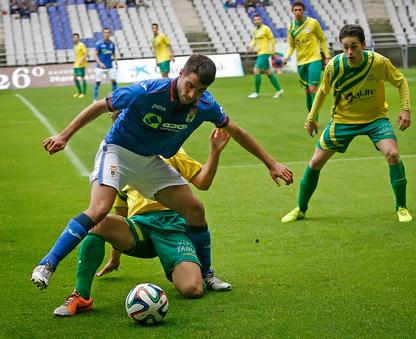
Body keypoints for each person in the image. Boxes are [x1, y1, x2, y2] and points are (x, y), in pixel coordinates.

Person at [31, 54, 293, 290]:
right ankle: (47, 264)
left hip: (149, 161)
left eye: (199, 90)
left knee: (195, 209)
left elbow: (236, 131)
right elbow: (101, 106)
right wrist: (64, 136)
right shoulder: (148, 90)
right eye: (189, 85)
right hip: (117, 151)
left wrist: (271, 163)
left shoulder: (205, 105)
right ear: (180, 73)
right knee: (99, 208)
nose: (192, 95)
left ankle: (207, 272)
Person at [53, 129, 231, 317]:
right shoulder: (115, 161)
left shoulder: (170, 151)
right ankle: (81, 296)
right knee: (98, 223)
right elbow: (120, 213)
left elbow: (203, 181)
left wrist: (215, 151)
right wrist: (115, 258)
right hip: (140, 229)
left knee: (193, 290)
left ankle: (204, 273)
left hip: (172, 228)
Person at [281, 24, 413, 224]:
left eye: (354, 47)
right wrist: (311, 118)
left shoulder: (378, 62)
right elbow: (323, 91)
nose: (349, 52)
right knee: (315, 162)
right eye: (345, 47)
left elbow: (400, 81)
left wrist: (405, 109)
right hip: (343, 121)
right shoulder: (335, 66)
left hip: (375, 119)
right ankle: (300, 208)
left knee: (393, 155)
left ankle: (401, 207)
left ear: (363, 45)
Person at [283, 1, 330, 115]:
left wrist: (327, 55)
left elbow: (322, 39)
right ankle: (310, 118)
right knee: (307, 91)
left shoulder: (313, 23)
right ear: (292, 12)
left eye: (300, 10)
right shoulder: (291, 27)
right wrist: (286, 57)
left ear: (304, 11)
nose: (298, 12)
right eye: (296, 10)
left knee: (313, 89)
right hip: (301, 62)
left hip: (315, 59)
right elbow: (292, 45)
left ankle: (314, 120)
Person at [247, 14, 283, 99]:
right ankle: (279, 90)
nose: (257, 21)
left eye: (258, 19)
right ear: (253, 21)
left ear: (261, 20)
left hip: (265, 52)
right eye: (255, 20)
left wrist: (272, 51)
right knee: (268, 72)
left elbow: (272, 39)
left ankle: (257, 92)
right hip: (259, 52)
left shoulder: (266, 28)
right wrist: (251, 46)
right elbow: (254, 40)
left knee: (256, 70)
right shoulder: (254, 30)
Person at [93, 28, 118, 103]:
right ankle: (94, 100)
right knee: (98, 82)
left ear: (109, 34)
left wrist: (116, 61)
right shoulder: (99, 43)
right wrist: (100, 63)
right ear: (103, 34)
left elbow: (113, 53)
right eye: (105, 33)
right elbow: (95, 54)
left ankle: (115, 97)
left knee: (114, 81)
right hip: (100, 67)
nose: (107, 34)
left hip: (110, 66)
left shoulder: (112, 44)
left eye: (108, 33)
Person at [72, 33, 88, 98]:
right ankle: (79, 92)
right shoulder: (75, 46)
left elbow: (85, 54)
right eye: (74, 37)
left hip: (81, 65)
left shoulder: (81, 45)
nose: (75, 38)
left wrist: (81, 60)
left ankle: (84, 93)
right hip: (76, 65)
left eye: (76, 37)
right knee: (74, 78)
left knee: (82, 78)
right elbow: (77, 55)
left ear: (78, 38)